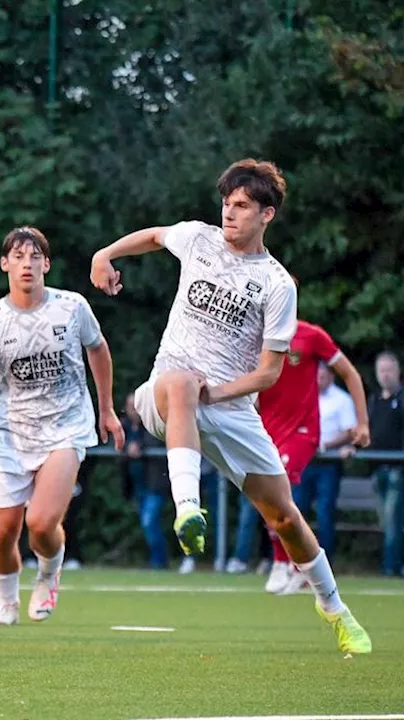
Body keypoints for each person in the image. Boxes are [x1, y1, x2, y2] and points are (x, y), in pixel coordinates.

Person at [90, 158, 370, 653]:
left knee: (285, 518)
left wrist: (214, 393)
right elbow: (156, 236)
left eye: (241, 205)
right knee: (178, 382)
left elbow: (269, 373)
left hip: (231, 408)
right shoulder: (198, 239)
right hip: (166, 395)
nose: (229, 213)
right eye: (226, 203)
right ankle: (188, 510)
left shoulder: (277, 284)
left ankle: (335, 608)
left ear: (267, 215)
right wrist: (105, 253)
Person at [0, 227, 123, 626]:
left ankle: (48, 575)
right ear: (5, 265)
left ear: (46, 264)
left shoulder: (72, 307)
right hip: (12, 434)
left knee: (42, 522)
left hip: (66, 427)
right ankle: (7, 604)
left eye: (34, 256)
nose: (26, 263)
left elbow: (98, 350)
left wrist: (107, 409)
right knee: (2, 532)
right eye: (18, 256)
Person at [254, 314, 370, 594]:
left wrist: (363, 422)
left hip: (303, 432)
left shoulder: (311, 335)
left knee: (275, 489)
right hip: (266, 432)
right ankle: (300, 566)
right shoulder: (255, 336)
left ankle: (282, 561)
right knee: (267, 497)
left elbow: (350, 374)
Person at [296, 362, 359, 561]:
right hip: (304, 462)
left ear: (331, 377)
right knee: (297, 510)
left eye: (322, 376)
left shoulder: (342, 400)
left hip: (329, 464)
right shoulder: (304, 396)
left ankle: (325, 560)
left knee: (325, 512)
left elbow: (350, 431)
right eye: (316, 376)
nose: (318, 380)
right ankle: (297, 559)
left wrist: (324, 445)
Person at [122, 392, 170, 570]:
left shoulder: (152, 425)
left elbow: (155, 443)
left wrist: (139, 447)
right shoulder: (124, 426)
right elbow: (115, 441)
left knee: (149, 521)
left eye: (136, 406)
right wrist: (127, 447)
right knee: (147, 522)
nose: (133, 411)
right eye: (130, 407)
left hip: (155, 484)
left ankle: (159, 561)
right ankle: (157, 559)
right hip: (137, 485)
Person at [368, 350, 402, 576]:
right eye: (382, 370)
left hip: (398, 469)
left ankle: (390, 568)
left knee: (392, 519)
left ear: (398, 372)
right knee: (385, 521)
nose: (386, 375)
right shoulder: (374, 401)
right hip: (377, 468)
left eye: (389, 370)